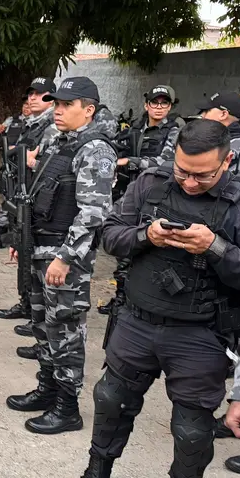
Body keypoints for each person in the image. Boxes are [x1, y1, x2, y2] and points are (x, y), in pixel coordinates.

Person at [48, 119, 240, 478]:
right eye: (183, 171)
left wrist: (216, 247)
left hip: (201, 335)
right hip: (137, 320)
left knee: (192, 432)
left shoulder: (238, 203)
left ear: (227, 161)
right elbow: (109, 236)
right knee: (110, 401)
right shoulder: (150, 184)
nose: (189, 183)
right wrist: (145, 236)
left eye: (203, 175)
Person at [4, 77, 116, 435]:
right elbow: (39, 195)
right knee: (42, 324)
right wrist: (22, 238)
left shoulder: (95, 150)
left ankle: (67, 407)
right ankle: (47, 389)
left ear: (89, 110)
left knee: (65, 328)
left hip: (65, 258)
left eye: (68, 105)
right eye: (57, 104)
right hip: (41, 247)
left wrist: (66, 258)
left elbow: (93, 214)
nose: (59, 110)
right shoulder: (59, 142)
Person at [98, 85, 184, 316]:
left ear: (170, 107)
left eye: (164, 103)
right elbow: (115, 149)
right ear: (147, 105)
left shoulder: (174, 131)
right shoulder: (135, 128)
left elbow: (166, 162)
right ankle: (121, 298)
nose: (159, 107)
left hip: (154, 196)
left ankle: (131, 301)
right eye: (155, 102)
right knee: (123, 250)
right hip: (128, 194)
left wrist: (131, 162)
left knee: (144, 248)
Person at [0, 77, 57, 251]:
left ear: (52, 99)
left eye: (39, 94)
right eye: (31, 94)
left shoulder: (54, 126)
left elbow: (58, 168)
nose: (32, 98)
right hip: (25, 192)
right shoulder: (32, 124)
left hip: (41, 200)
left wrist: (31, 162)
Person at [197, 90, 240, 174]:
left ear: (223, 114)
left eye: (207, 111)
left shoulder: (230, 148)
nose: (202, 115)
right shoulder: (220, 141)